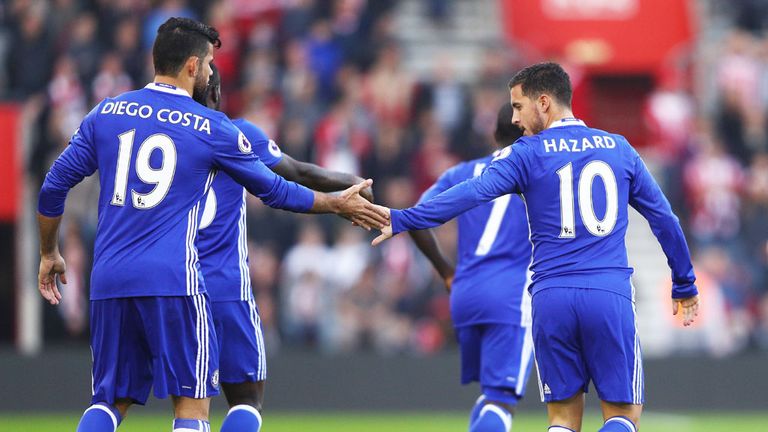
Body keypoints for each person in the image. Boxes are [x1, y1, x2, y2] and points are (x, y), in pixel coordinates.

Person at [37, 17, 386, 432]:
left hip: (110, 278)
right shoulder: (215, 128)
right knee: (194, 406)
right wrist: (334, 204)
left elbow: (53, 185)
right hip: (180, 280)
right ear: (191, 66)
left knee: (109, 400)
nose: (209, 72)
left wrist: (48, 251)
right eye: (207, 64)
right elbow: (278, 187)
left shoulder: (106, 114)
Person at [372, 62, 700, 432]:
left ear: (543, 102)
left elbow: (471, 193)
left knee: (562, 420)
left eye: (517, 106)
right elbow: (665, 220)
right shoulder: (619, 149)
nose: (514, 119)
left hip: (550, 298)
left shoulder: (527, 153)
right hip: (607, 294)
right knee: (623, 415)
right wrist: (684, 282)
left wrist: (402, 219)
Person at [193, 63, 373, 432]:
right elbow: (293, 172)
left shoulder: (158, 131)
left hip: (171, 282)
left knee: (183, 404)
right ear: (216, 93)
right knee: (245, 399)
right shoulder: (237, 133)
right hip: (224, 282)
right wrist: (348, 182)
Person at [408, 103, 533, 432]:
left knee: (489, 396)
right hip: (510, 294)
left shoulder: (462, 172)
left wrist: (445, 270)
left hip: (464, 292)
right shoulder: (540, 174)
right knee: (502, 400)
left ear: (494, 134)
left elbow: (418, 218)